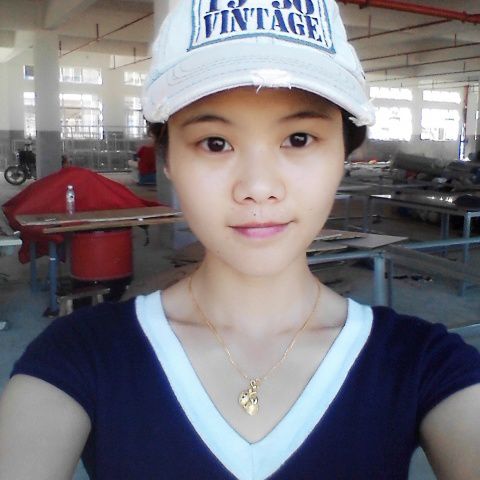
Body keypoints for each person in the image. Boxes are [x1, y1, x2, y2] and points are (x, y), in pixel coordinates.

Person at [1, 1, 479, 478]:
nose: (258, 187)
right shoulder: (82, 356)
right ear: (168, 161)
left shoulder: (423, 365)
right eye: (215, 143)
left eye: (299, 138)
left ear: (343, 154)